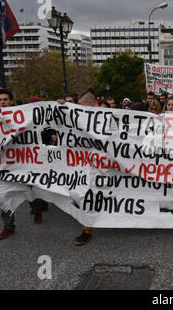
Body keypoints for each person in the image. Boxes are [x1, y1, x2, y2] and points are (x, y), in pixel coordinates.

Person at [0, 89, 45, 240]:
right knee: (4, 194)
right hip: (3, 164)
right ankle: (8, 226)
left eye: (5, 99)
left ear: (11, 102)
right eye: (0, 99)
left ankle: (37, 209)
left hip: (22, 162)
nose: (2, 102)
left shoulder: (21, 117)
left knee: (28, 190)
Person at [74, 88, 100, 246]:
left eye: (81, 105)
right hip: (87, 165)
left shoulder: (109, 117)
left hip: (107, 165)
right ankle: (86, 230)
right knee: (87, 194)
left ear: (91, 103)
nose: (79, 109)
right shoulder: (80, 118)